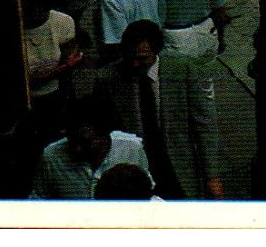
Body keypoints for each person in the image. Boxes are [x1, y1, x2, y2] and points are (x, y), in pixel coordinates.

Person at [96, 20, 224, 200]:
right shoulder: (108, 79)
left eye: (142, 59)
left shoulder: (183, 69)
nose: (135, 64)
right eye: (130, 57)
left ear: (156, 52)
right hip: (137, 169)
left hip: (178, 165)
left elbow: (205, 125)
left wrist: (212, 177)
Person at [29, 101, 149, 199]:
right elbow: (38, 202)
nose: (77, 149)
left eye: (85, 142)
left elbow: (145, 195)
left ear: (104, 135)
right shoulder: (51, 157)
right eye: (72, 141)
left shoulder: (132, 148)